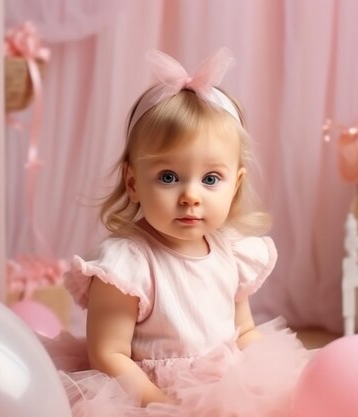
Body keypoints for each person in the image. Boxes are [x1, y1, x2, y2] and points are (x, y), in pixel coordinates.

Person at [45, 47, 309, 417]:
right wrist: (162, 404)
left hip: (223, 389)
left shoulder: (231, 252)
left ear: (235, 184)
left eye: (211, 179)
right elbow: (109, 354)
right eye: (168, 177)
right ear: (133, 183)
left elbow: (243, 329)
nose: (190, 196)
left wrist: (269, 376)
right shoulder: (127, 264)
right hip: (145, 394)